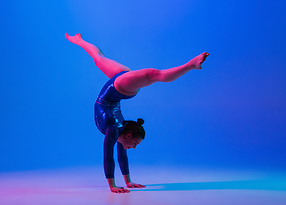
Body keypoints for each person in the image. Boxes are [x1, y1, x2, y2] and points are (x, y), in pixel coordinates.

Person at [66, 33, 209, 193]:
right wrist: (121, 183)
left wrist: (116, 185)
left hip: (118, 83)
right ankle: (79, 40)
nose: (133, 147)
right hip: (120, 86)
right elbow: (119, 157)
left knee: (150, 73)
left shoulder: (114, 130)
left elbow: (109, 156)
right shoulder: (117, 130)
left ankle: (191, 65)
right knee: (102, 59)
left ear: (128, 135)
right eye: (135, 144)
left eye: (135, 144)